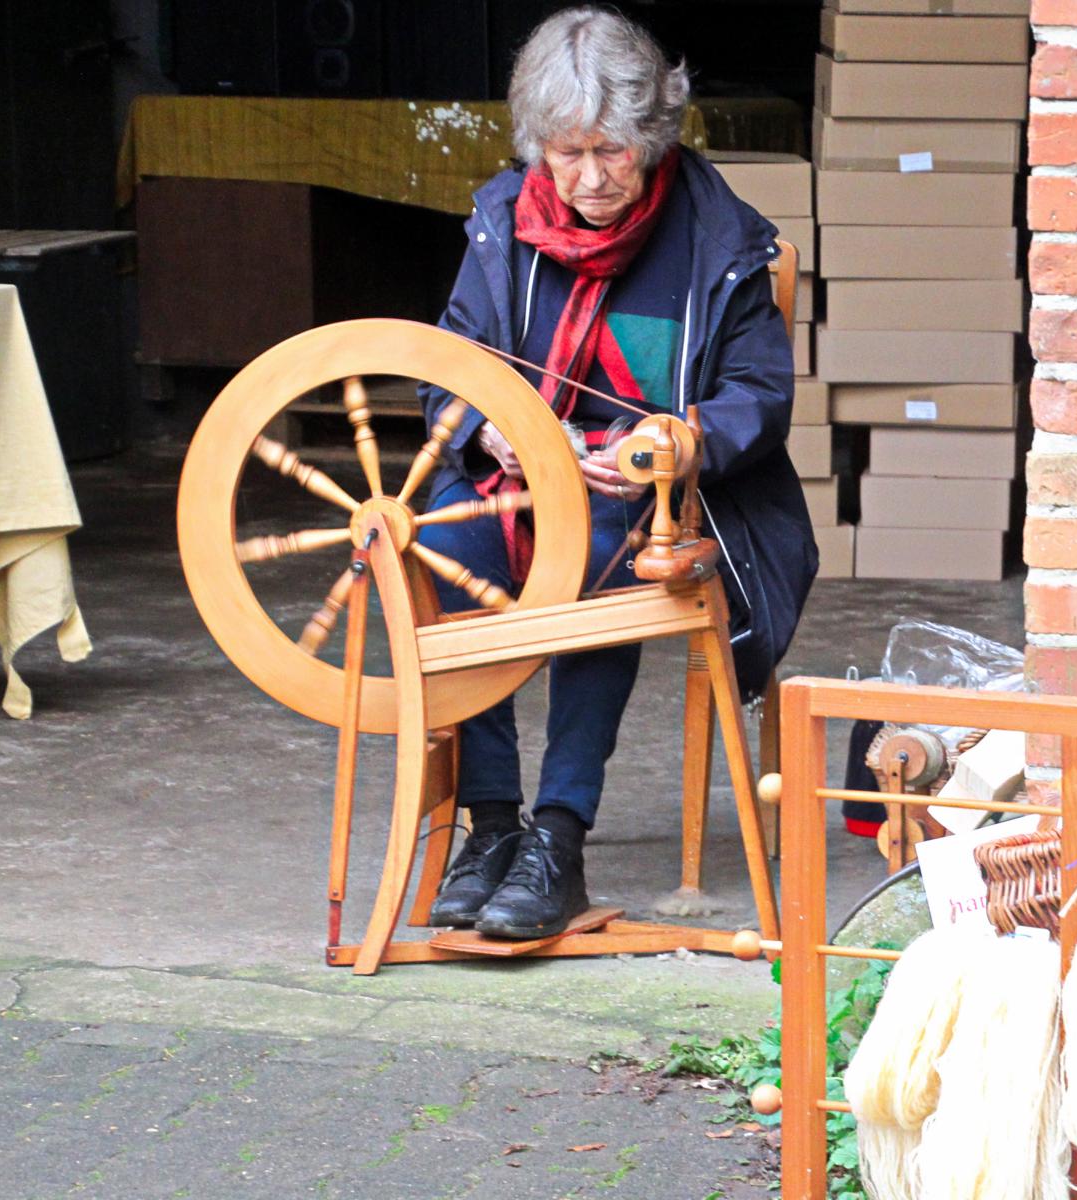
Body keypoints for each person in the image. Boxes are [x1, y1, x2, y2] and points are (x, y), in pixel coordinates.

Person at [415, 6, 816, 940]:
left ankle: (558, 837)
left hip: (649, 494)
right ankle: (491, 824)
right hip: (516, 472)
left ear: (654, 136)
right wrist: (487, 427)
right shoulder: (501, 221)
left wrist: (672, 445)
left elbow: (759, 395)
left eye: (612, 152)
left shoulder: (718, 238)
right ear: (538, 150)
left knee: (599, 561)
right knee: (449, 548)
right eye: (568, 154)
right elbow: (449, 363)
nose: (591, 178)